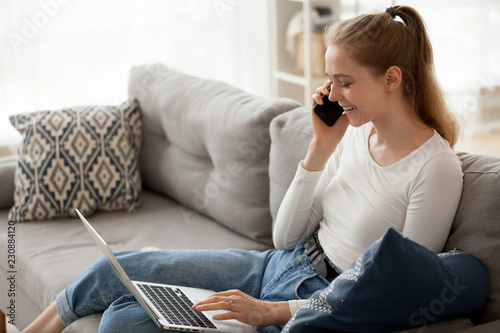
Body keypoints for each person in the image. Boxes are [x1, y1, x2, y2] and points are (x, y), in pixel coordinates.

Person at [22, 5, 463, 333]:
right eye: (330, 80)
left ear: (391, 79)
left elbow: (402, 288)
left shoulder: (435, 168)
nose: (332, 94)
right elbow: (285, 238)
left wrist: (275, 311)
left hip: (318, 299)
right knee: (117, 274)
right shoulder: (352, 133)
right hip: (281, 264)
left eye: (345, 82)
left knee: (124, 324)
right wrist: (320, 147)